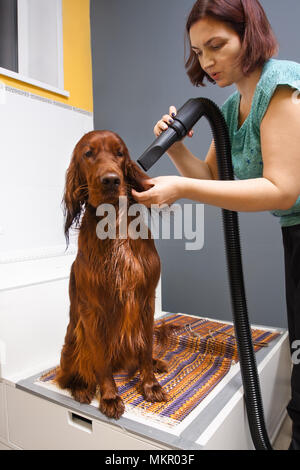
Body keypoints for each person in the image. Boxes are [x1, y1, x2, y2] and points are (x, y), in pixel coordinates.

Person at [132, 0, 300, 450]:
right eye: (198, 51)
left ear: (250, 35)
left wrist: (181, 191)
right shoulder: (228, 108)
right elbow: (213, 178)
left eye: (216, 45)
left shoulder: (281, 85)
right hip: (295, 232)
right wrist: (175, 151)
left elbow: (282, 188)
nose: (207, 62)